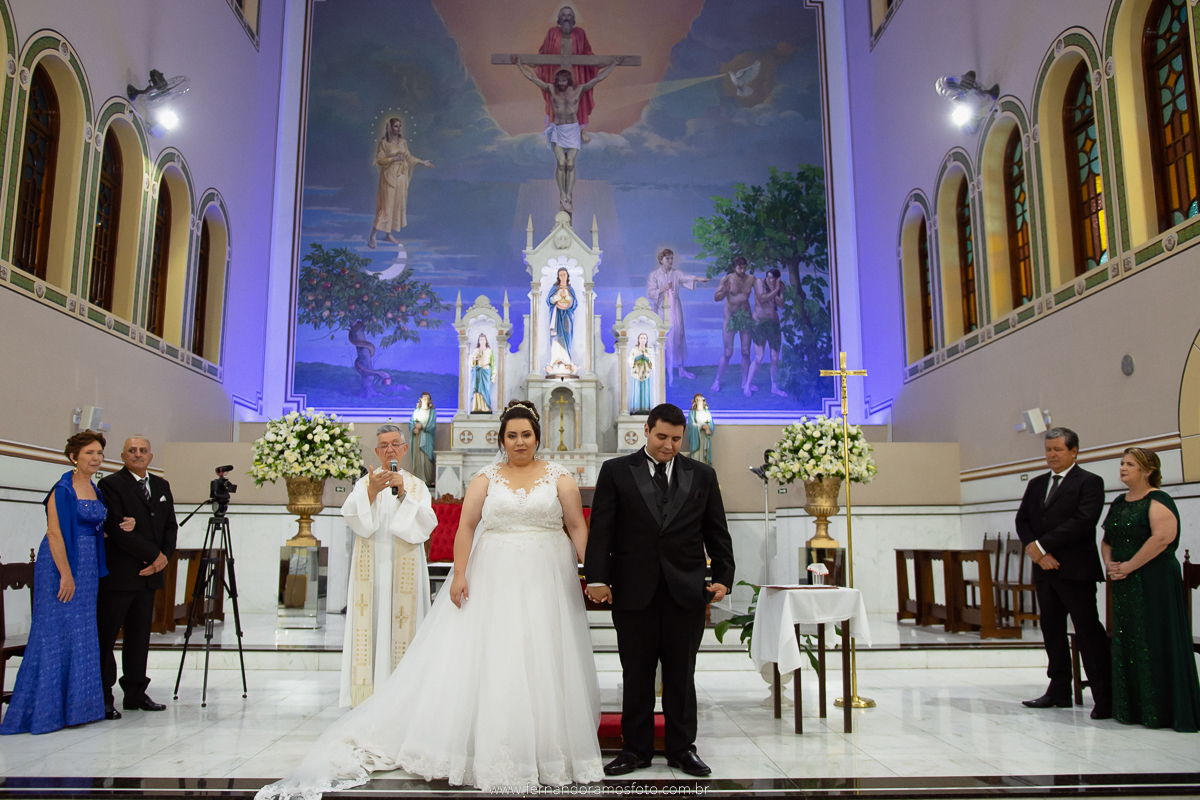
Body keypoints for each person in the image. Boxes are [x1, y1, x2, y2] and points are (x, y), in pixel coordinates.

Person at [257, 401, 601, 797]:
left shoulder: (560, 478)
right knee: (498, 655)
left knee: (543, 655)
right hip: (494, 575)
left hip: (547, 577)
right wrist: (460, 573)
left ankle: (546, 750)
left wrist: (594, 574)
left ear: (537, 437)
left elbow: (577, 526)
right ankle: (491, 745)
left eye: (526, 435)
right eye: (512, 435)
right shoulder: (485, 478)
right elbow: (466, 527)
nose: (519, 442)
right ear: (502, 439)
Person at [585, 403, 735, 777]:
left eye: (676, 439)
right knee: (636, 673)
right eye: (662, 437)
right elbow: (602, 529)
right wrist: (597, 578)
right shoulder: (616, 471)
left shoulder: (702, 475)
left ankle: (682, 749)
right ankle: (635, 750)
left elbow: (716, 530)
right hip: (633, 590)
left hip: (686, 590)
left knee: (681, 674)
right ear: (647, 431)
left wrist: (724, 575)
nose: (669, 445)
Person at [1, 431, 119, 735]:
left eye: (99, 453)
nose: (96, 458)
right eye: (89, 453)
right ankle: (46, 711)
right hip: (60, 564)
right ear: (73, 457)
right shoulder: (62, 489)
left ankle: (78, 709)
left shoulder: (95, 489)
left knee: (81, 632)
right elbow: (54, 534)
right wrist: (66, 574)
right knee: (55, 633)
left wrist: (122, 527)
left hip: (88, 567)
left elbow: (95, 527)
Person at [1015, 427, 1111, 718]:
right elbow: (1022, 520)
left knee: (1087, 630)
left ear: (1074, 451)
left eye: (1058, 449)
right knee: (1052, 630)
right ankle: (1058, 691)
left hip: (1076, 569)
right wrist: (1037, 552)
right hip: (1046, 570)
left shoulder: (1089, 482)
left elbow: (1083, 521)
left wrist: (1041, 546)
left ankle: (1104, 697)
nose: (1052, 455)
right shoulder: (1037, 484)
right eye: (1048, 450)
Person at [1102, 447, 1200, 732]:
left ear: (1148, 470)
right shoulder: (1119, 501)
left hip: (1154, 580)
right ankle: (1135, 709)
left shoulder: (1159, 500)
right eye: (1122, 463)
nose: (1123, 468)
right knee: (1131, 640)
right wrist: (1110, 564)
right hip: (1125, 581)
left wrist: (1129, 566)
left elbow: (1162, 539)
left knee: (1156, 638)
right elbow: (1107, 539)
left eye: (1130, 464)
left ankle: (1165, 710)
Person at [339, 425, 437, 708]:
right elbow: (352, 517)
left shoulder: (417, 486)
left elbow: (426, 525)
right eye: (384, 445)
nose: (390, 449)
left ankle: (403, 699)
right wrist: (370, 493)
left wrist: (403, 494)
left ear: (405, 449)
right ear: (377, 451)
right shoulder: (364, 484)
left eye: (395, 444)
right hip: (372, 574)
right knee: (372, 625)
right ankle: (366, 698)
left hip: (404, 570)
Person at [95, 436, 176, 719]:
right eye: (132, 450)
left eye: (143, 451)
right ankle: (104, 696)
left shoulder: (162, 486)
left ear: (150, 457)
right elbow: (117, 529)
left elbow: (170, 527)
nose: (138, 454)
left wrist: (163, 558)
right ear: (123, 456)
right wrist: (154, 555)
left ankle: (135, 693)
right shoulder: (111, 485)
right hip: (120, 575)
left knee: (139, 637)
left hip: (148, 576)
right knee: (106, 637)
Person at [517, 59, 616, 213]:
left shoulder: (579, 89)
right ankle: (562, 194)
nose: (561, 83)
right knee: (561, 163)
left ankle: (568, 195)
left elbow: (598, 78)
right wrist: (519, 64)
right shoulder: (551, 89)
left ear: (568, 80)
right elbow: (532, 78)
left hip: (572, 130)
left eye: (564, 80)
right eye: (559, 80)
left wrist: (613, 64)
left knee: (570, 164)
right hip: (558, 130)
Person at [368, 117, 433, 249]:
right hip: (389, 178)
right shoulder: (384, 143)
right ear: (390, 127)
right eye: (396, 126)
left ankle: (389, 234)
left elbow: (408, 157)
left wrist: (422, 162)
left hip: (401, 178)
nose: (399, 128)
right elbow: (380, 160)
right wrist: (394, 158)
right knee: (386, 207)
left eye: (400, 126)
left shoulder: (402, 142)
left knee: (396, 206)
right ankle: (373, 235)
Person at [646, 248, 708, 385]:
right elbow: (650, 292)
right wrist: (663, 289)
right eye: (667, 258)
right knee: (661, 338)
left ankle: (681, 368)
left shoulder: (676, 273)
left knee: (678, 335)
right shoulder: (654, 275)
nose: (670, 261)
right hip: (661, 309)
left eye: (671, 258)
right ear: (661, 260)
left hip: (675, 308)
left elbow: (686, 277)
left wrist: (699, 279)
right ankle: (659, 369)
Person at [536, 6, 598, 135]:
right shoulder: (552, 32)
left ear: (573, 18)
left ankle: (581, 131)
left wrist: (597, 62)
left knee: (577, 99)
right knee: (556, 100)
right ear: (559, 18)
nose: (566, 18)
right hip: (556, 73)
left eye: (569, 15)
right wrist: (533, 61)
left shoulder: (580, 33)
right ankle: (555, 130)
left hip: (577, 73)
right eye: (563, 15)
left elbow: (587, 51)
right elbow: (544, 52)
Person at [711, 256, 757, 394]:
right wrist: (725, 291)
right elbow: (716, 298)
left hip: (745, 317)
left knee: (746, 352)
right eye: (739, 268)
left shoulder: (751, 279)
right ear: (734, 268)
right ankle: (717, 380)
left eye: (744, 267)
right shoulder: (727, 279)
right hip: (730, 317)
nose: (742, 270)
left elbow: (761, 294)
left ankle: (745, 382)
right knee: (728, 352)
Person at [746, 268, 788, 397]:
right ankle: (747, 385)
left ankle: (774, 386)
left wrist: (777, 289)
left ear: (777, 279)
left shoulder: (779, 286)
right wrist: (775, 289)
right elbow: (762, 298)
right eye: (768, 277)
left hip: (773, 324)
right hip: (759, 324)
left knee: (775, 358)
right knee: (759, 357)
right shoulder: (759, 282)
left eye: (772, 278)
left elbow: (781, 304)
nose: (769, 280)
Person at [546, 266, 578, 372]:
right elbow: (548, 300)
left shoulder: (570, 289)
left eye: (564, 274)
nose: (563, 276)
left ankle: (567, 360)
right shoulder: (555, 289)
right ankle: (556, 360)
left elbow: (575, 303)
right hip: (556, 315)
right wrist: (557, 298)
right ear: (558, 277)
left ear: (567, 276)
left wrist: (568, 301)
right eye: (561, 275)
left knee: (567, 336)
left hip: (567, 316)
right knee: (556, 336)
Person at [409, 393, 436, 487]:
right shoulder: (417, 411)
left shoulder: (432, 412)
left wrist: (422, 426)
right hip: (418, 438)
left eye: (427, 398)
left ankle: (427, 480)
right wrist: (414, 428)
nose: (425, 400)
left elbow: (432, 425)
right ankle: (419, 479)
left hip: (427, 438)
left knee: (427, 458)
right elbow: (411, 422)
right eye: (424, 398)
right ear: (420, 400)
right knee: (418, 458)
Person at [684, 393, 715, 465]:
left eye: (700, 400)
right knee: (696, 456)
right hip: (696, 438)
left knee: (704, 457)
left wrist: (708, 428)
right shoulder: (692, 413)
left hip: (704, 438)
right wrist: (701, 427)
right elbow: (691, 425)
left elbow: (710, 424)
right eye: (697, 400)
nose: (699, 402)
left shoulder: (707, 412)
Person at [469, 333, 495, 414]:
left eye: (483, 339)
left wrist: (494, 374)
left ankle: (486, 407)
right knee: (477, 389)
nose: (482, 341)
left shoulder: (489, 351)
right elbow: (471, 362)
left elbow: (493, 363)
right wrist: (474, 359)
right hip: (478, 372)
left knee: (486, 389)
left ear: (486, 341)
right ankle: (477, 407)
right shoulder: (476, 350)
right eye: (481, 339)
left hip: (486, 372)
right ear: (479, 341)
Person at [629, 331, 654, 414]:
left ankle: (646, 409)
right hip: (636, 373)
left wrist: (647, 357)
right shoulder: (634, 349)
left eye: (644, 338)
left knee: (646, 391)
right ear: (638, 339)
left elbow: (652, 361)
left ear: (646, 340)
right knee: (637, 390)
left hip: (646, 373)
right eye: (641, 338)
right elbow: (631, 360)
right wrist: (638, 357)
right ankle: (636, 409)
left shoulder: (649, 350)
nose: (643, 340)